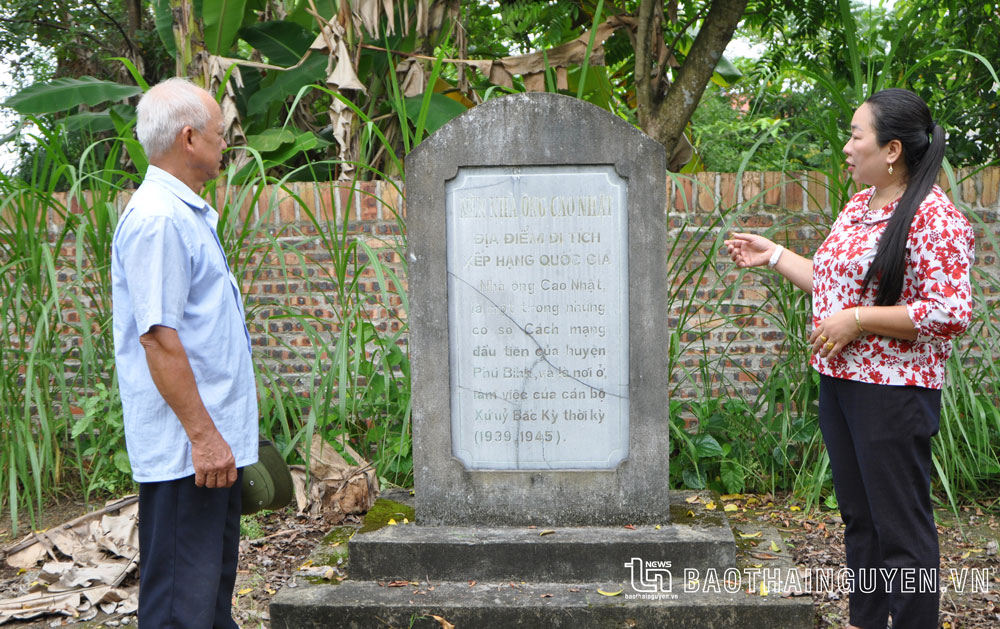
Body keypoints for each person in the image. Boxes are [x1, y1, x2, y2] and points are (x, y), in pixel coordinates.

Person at [725, 88, 974, 629]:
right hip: (840, 384)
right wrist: (775, 256)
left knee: (901, 527)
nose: (846, 146)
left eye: (855, 135)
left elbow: (951, 311)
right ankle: (865, 619)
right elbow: (832, 285)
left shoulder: (934, 217)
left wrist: (858, 320)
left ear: (891, 150)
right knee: (860, 519)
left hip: (894, 392)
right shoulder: (860, 207)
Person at [111, 77, 258, 628]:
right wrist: (203, 437)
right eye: (221, 134)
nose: (227, 143)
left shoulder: (182, 214)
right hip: (188, 453)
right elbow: (158, 339)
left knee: (206, 599)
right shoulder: (160, 220)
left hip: (206, 446)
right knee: (180, 608)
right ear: (190, 138)